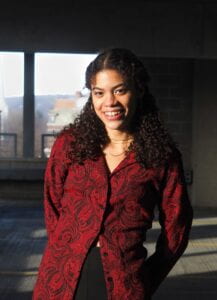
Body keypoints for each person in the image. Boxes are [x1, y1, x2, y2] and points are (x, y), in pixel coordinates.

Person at [33, 48, 193, 300]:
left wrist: (144, 279)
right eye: (99, 93)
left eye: (120, 90)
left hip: (124, 285)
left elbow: (177, 229)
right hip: (59, 282)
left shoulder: (162, 157)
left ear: (139, 90)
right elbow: (52, 204)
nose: (109, 102)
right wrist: (65, 250)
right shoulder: (70, 145)